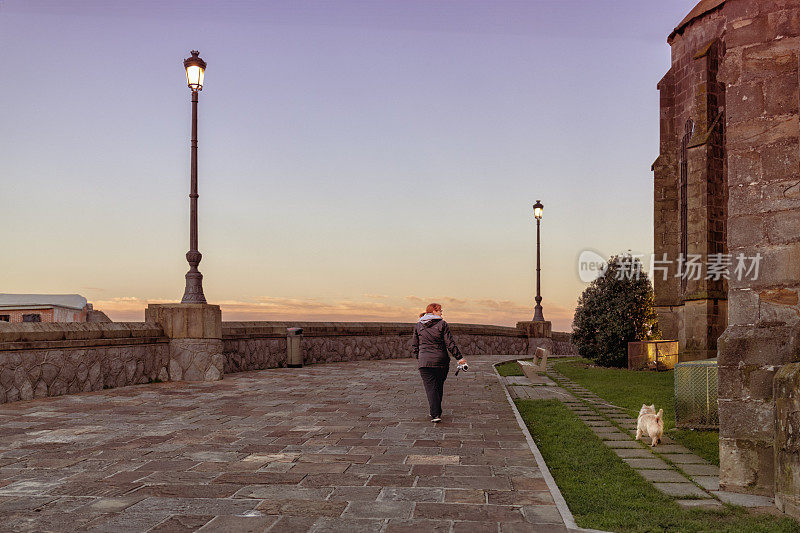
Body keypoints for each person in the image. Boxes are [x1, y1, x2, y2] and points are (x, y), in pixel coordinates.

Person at [411, 303, 468, 423]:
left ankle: (435, 413)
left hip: (424, 362)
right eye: (440, 310)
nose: (442, 313)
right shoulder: (442, 324)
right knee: (438, 386)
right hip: (441, 360)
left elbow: (415, 346)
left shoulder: (418, 325)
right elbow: (450, 343)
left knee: (431, 388)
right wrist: (460, 358)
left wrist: (420, 357)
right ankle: (436, 412)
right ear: (434, 311)